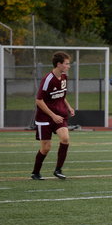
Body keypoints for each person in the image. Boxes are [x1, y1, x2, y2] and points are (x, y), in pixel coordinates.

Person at [31, 51, 75, 180]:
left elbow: (61, 95)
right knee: (46, 148)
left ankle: (58, 170)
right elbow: (39, 100)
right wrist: (52, 115)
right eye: (67, 64)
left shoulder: (64, 77)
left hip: (60, 115)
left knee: (65, 138)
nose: (68, 66)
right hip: (44, 117)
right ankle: (35, 172)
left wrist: (69, 107)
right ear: (59, 64)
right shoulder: (48, 79)